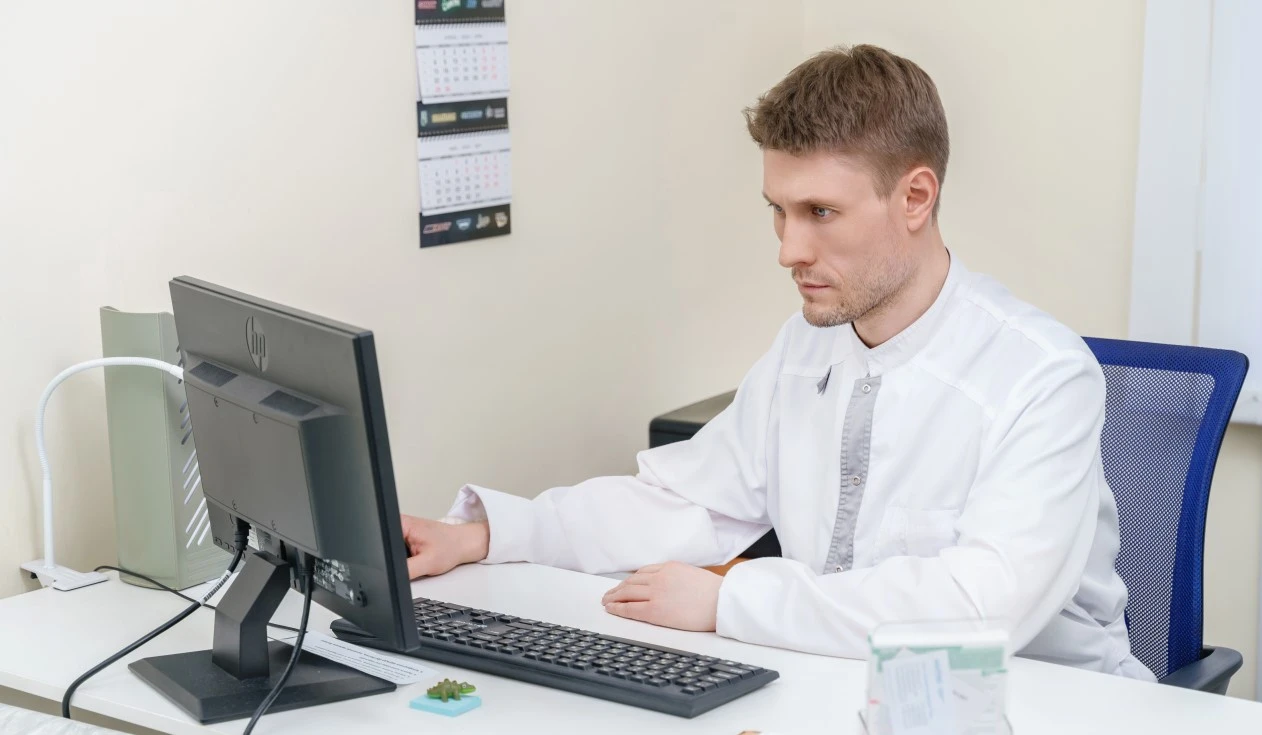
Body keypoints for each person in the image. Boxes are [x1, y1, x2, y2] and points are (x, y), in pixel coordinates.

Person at [399, 45, 1153, 679]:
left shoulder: (1041, 376)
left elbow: (982, 608)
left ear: (916, 197)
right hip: (844, 682)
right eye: (778, 210)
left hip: (1047, 703)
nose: (789, 249)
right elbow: (694, 501)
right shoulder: (808, 343)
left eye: (820, 212)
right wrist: (492, 535)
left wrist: (731, 601)